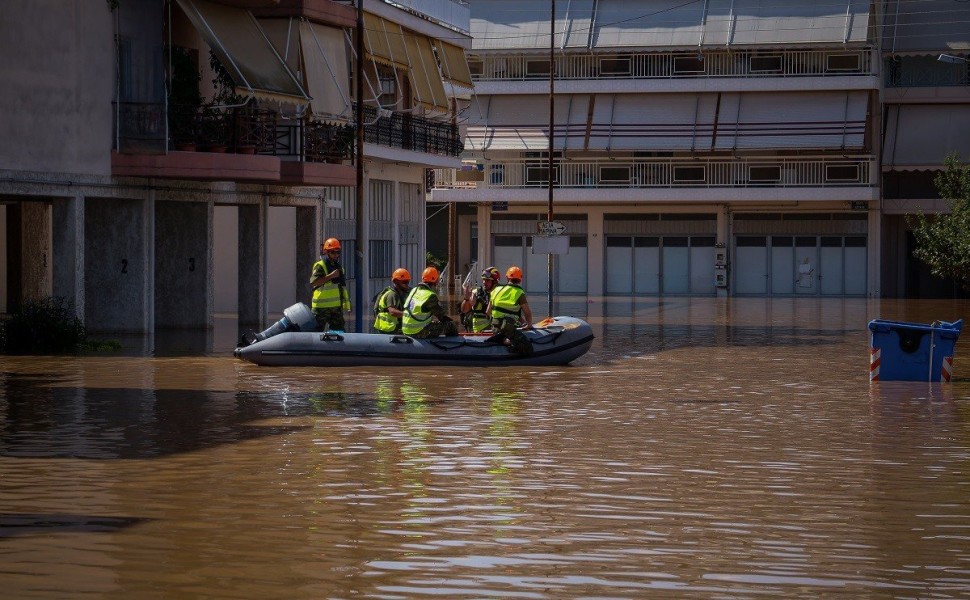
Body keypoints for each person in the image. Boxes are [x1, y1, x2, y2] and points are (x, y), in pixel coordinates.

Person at [487, 265, 534, 356]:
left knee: (505, 334)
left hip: (495, 327)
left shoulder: (495, 290)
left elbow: (488, 312)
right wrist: (529, 325)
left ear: (507, 277)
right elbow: (527, 313)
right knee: (528, 348)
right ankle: (511, 346)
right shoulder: (519, 293)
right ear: (520, 279)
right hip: (509, 328)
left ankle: (502, 339)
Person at [402, 266, 459, 338]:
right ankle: (454, 347)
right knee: (450, 325)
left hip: (406, 330)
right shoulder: (430, 296)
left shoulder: (414, 290)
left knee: (433, 323)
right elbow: (441, 316)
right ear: (435, 281)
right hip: (418, 332)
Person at [309, 237, 349, 332]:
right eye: (333, 252)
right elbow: (314, 282)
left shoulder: (338, 267)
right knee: (315, 333)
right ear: (327, 252)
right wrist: (331, 276)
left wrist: (346, 304)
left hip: (335, 307)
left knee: (339, 333)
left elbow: (341, 287)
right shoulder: (320, 266)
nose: (336, 255)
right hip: (321, 308)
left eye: (338, 252)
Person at [460, 266, 500, 332]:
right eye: (483, 279)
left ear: (495, 282)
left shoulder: (499, 294)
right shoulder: (476, 293)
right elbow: (464, 310)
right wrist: (466, 299)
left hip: (493, 331)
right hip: (477, 334)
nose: (484, 282)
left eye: (487, 280)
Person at [373, 268, 411, 334]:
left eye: (408, 282)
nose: (407, 284)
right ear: (396, 282)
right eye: (404, 282)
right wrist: (409, 315)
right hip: (388, 328)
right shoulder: (392, 294)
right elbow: (392, 311)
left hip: (388, 328)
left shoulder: (400, 294)